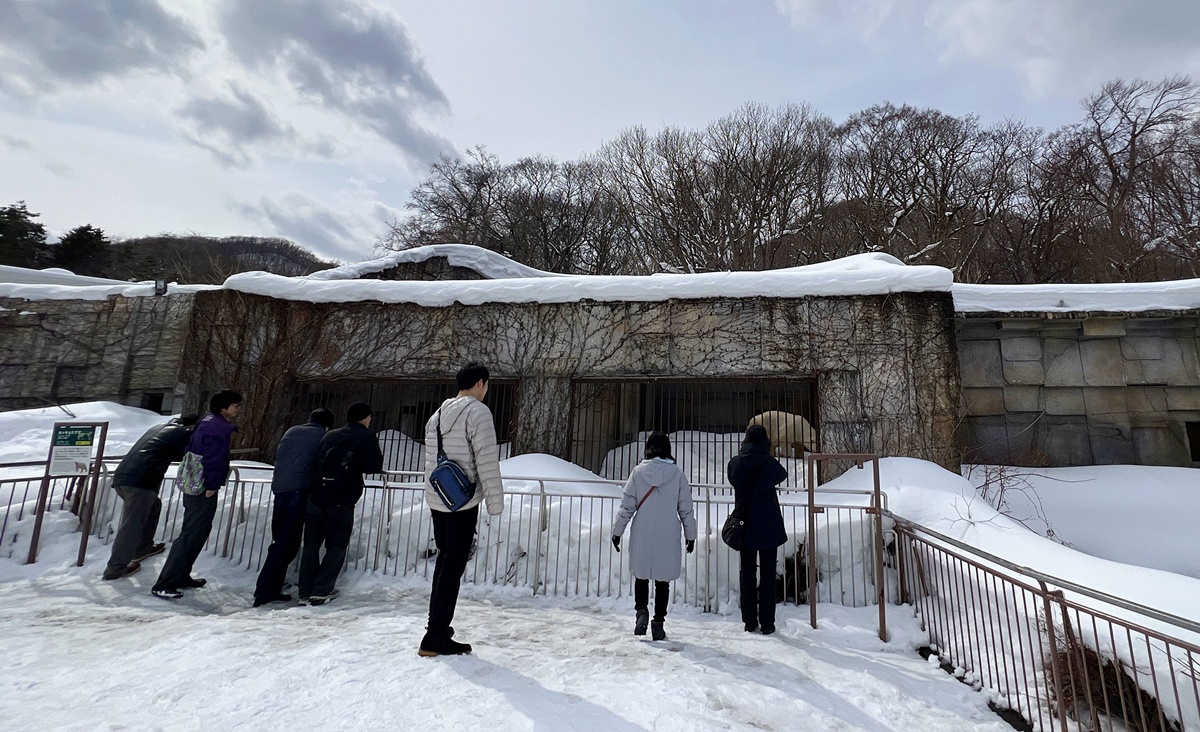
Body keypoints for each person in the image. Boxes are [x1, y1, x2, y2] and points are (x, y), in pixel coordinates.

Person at [418, 362, 504, 657]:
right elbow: (486, 460)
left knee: (445, 564)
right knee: (452, 568)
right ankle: (435, 635)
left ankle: (438, 627)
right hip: (463, 501)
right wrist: (495, 501)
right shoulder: (478, 412)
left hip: (438, 499)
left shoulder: (438, 414)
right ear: (481, 383)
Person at [151, 390, 243, 600]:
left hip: (194, 482)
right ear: (224, 407)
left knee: (198, 530)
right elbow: (213, 458)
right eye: (236, 405)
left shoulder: (208, 422)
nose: (238, 409)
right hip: (202, 486)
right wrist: (212, 483)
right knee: (193, 531)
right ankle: (166, 581)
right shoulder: (217, 427)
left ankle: (181, 575)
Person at [611, 431, 697, 641]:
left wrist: (617, 531)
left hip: (643, 532)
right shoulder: (677, 475)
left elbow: (627, 506)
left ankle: (641, 613)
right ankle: (658, 622)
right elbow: (686, 509)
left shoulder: (638, 473)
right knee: (663, 581)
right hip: (668, 534)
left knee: (641, 577)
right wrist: (690, 535)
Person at [298, 402, 383, 606]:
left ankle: (304, 590)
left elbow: (317, 459)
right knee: (337, 543)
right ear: (365, 417)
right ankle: (321, 589)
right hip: (341, 497)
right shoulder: (366, 437)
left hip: (317, 494)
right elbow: (374, 466)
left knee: (311, 544)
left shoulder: (330, 435)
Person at [253, 408, 335, 607]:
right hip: (298, 492)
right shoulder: (322, 437)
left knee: (279, 540)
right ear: (327, 424)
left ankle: (272, 585)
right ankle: (265, 590)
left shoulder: (292, 431)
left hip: (280, 489)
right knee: (286, 544)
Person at [103, 415, 200, 580]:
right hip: (140, 484)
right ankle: (115, 568)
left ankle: (143, 547)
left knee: (154, 506)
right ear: (192, 427)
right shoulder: (182, 433)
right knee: (131, 525)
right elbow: (191, 452)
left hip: (124, 478)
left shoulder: (160, 428)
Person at [726, 424, 789, 635]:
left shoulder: (735, 464)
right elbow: (782, 475)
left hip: (745, 525)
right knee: (768, 574)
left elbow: (733, 478)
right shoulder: (771, 464)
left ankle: (749, 620)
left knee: (747, 572)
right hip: (768, 525)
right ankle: (768, 623)